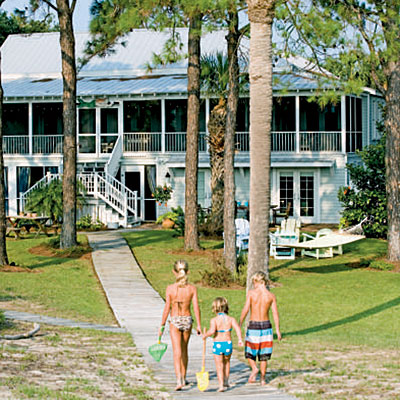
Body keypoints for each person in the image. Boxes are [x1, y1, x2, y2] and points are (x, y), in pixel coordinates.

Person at [159, 260, 202, 391]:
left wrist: (162, 325)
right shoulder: (191, 289)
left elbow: (167, 308)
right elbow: (196, 307)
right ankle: (184, 376)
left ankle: (179, 380)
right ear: (188, 272)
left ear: (174, 272)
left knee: (177, 351)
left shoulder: (170, 289)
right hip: (187, 319)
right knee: (184, 350)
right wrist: (199, 325)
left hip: (175, 319)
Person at [239, 271, 281, 386]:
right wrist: (277, 330)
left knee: (250, 351)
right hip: (266, 326)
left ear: (256, 281)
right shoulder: (271, 296)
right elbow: (275, 314)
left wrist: (240, 322)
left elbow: (246, 309)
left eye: (253, 282)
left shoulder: (252, 293)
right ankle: (263, 379)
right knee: (264, 355)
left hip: (254, 325)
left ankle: (254, 368)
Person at [203, 297, 243, 392]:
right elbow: (237, 328)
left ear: (214, 308)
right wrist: (240, 339)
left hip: (218, 344)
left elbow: (212, 331)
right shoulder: (231, 319)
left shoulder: (214, 320)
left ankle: (221, 385)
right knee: (227, 362)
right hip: (228, 343)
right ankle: (226, 381)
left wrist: (205, 335)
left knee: (219, 365)